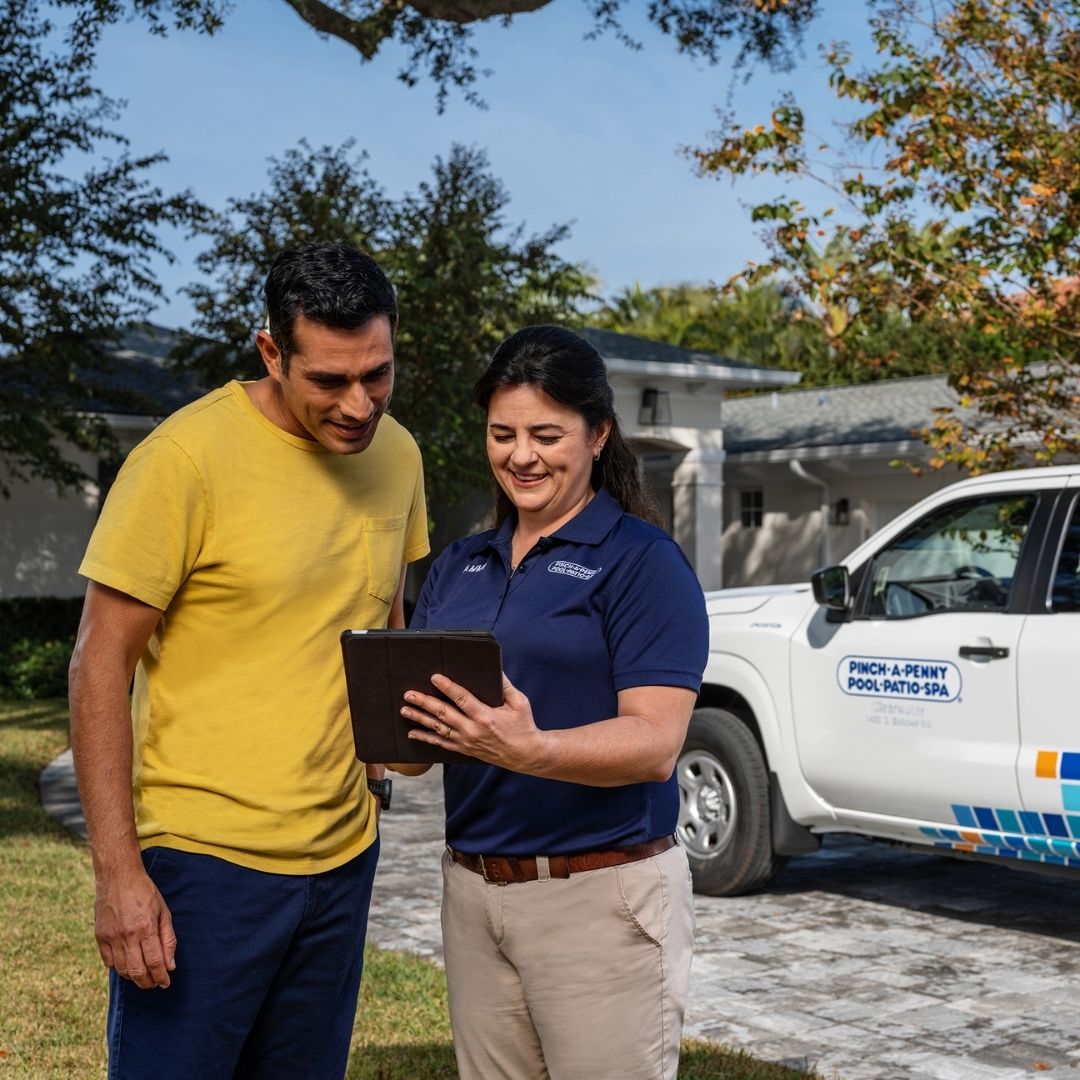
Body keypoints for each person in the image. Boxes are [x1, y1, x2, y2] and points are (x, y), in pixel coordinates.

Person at [67, 241, 429, 1079]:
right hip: (202, 865)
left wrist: (394, 752)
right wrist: (119, 873)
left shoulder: (399, 454)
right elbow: (98, 662)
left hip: (341, 861)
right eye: (329, 381)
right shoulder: (183, 460)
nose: (357, 404)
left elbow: (386, 618)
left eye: (376, 374)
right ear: (272, 351)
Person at [399, 324, 709, 1080]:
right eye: (502, 433)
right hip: (473, 892)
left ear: (598, 434)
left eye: (546, 433)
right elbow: (421, 742)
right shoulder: (458, 564)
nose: (521, 455)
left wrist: (532, 750)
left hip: (600, 897)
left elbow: (655, 742)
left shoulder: (642, 562)